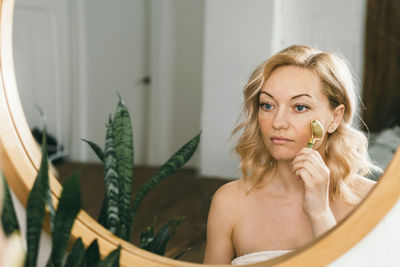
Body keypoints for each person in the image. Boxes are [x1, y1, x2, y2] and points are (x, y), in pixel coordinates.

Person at [203, 45, 377, 265]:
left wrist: (320, 214)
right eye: (267, 105)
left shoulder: (372, 201)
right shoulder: (229, 203)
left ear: (335, 118)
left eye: (300, 107)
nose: (278, 122)